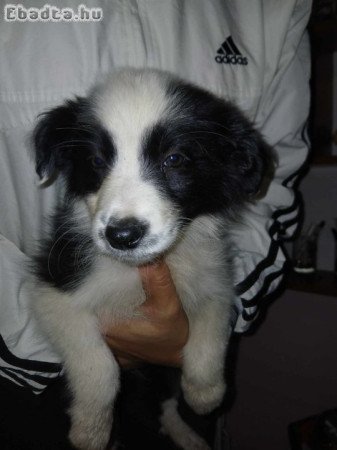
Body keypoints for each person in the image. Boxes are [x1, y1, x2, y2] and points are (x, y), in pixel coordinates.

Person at [0, 0, 312, 448]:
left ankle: (172, 416)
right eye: (99, 159)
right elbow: (53, 297)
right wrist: (97, 387)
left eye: (173, 159)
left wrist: (201, 363)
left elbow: (217, 295)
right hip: (21, 373)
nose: (125, 213)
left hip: (174, 377)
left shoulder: (274, 11)